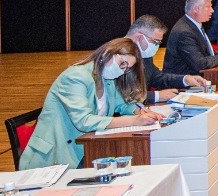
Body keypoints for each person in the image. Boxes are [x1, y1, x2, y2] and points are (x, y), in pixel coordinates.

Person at [19, 39, 162, 170]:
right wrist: (134, 120)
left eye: (126, 68)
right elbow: (83, 121)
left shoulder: (106, 78)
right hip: (54, 158)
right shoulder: (76, 76)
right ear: (107, 53)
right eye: (122, 63)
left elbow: (123, 104)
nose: (122, 70)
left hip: (84, 150)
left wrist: (140, 111)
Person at [127, 15, 209, 99]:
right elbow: (123, 96)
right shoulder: (117, 55)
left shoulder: (144, 53)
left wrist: (185, 79)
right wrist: (157, 96)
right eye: (155, 42)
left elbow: (156, 77)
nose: (156, 46)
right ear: (140, 37)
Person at [165, 0, 218, 76]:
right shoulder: (184, 31)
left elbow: (202, 51)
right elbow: (199, 63)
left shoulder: (193, 25)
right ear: (196, 9)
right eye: (208, 7)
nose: (212, 10)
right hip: (182, 84)